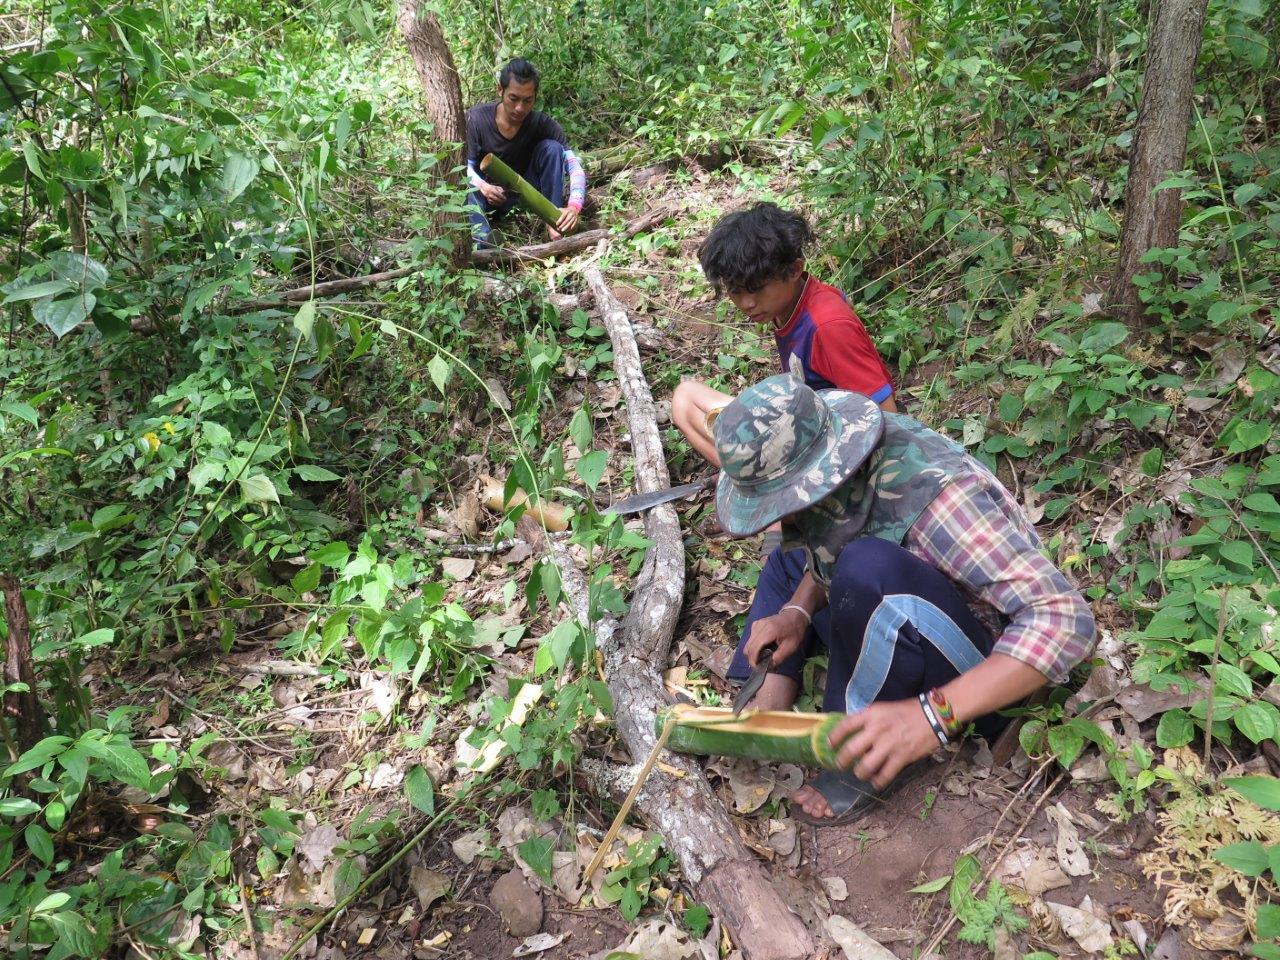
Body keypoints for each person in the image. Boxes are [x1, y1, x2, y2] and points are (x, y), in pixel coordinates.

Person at [713, 374, 1095, 825]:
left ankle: (861, 754)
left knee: (866, 567)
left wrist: (933, 716)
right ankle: (765, 709)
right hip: (914, 604)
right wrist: (796, 612)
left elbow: (1064, 619)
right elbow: (835, 536)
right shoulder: (841, 466)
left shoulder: (938, 499)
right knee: (787, 562)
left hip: (990, 668)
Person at [672, 202, 896, 469]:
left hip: (826, 449)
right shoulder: (791, 306)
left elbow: (886, 416)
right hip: (806, 418)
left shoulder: (827, 325)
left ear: (794, 269)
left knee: (686, 406)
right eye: (736, 291)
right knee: (686, 396)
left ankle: (755, 485)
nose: (746, 303)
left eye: (756, 289)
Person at [466, 58, 586, 248]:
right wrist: (483, 186)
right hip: (486, 197)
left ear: (535, 97)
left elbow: (574, 166)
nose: (520, 108)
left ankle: (555, 224)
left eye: (527, 100)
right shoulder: (476, 119)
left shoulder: (542, 124)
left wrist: (573, 207)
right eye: (513, 99)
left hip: (524, 196)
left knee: (552, 148)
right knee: (464, 184)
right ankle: (484, 243)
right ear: (500, 90)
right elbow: (466, 168)